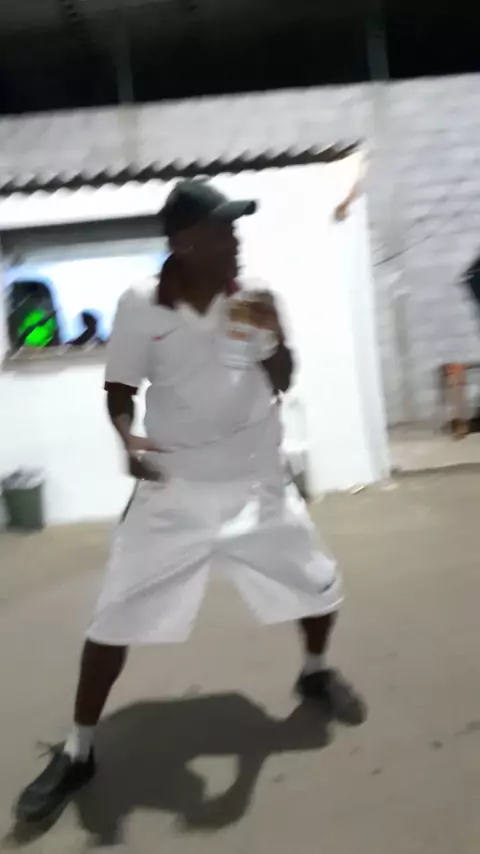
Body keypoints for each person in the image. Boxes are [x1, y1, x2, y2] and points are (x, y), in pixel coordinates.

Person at [16, 179, 366, 824]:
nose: (236, 241)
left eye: (235, 228)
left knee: (319, 586)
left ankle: (314, 671)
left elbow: (283, 380)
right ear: (183, 242)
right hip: (174, 488)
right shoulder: (140, 305)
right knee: (114, 617)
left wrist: (275, 336)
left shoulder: (251, 298)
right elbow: (120, 388)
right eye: (223, 230)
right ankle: (79, 749)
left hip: (257, 483)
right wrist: (127, 438)